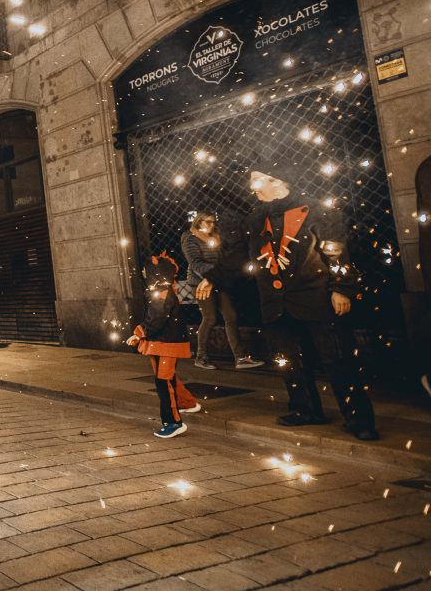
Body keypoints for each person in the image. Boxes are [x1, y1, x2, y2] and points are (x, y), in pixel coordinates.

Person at [198, 155, 379, 440]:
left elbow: (336, 251)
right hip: (276, 303)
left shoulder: (317, 211)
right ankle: (306, 410)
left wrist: (341, 288)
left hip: (316, 298)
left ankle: (359, 419)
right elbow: (237, 256)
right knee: (289, 361)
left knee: (337, 360)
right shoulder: (255, 220)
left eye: (256, 180)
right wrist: (213, 277)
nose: (252, 187)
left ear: (277, 181)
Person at [181, 211, 263, 370]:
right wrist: (212, 275)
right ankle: (201, 356)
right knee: (210, 317)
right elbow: (196, 263)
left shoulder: (217, 238)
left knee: (230, 315)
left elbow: (226, 259)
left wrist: (218, 275)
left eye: (213, 222)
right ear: (199, 222)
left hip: (217, 280)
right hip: (200, 282)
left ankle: (240, 357)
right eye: (208, 222)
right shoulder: (190, 238)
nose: (211, 225)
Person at [127, 253, 195, 439]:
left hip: (166, 343)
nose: (142, 271)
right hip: (163, 343)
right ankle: (188, 402)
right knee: (166, 377)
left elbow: (156, 318)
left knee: (163, 381)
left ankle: (173, 422)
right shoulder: (161, 290)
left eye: (145, 268)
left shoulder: (161, 293)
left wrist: (139, 332)